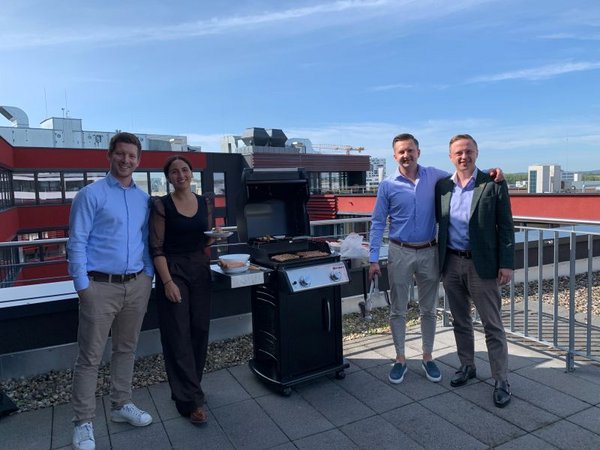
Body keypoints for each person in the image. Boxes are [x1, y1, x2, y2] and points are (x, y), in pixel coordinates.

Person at [369, 133, 503, 385]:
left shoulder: (435, 177)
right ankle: (399, 359)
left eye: (410, 150)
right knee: (398, 309)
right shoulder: (387, 185)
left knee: (428, 309)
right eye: (401, 152)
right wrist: (373, 258)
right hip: (399, 251)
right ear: (394, 156)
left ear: (418, 152)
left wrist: (492, 172)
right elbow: (377, 223)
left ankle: (428, 357)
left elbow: (464, 172)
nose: (406, 155)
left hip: (430, 251)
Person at [67, 132, 154, 450]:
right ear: (110, 155)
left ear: (138, 160)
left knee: (126, 350)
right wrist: (82, 286)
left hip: (136, 285)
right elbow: (77, 240)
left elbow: (145, 241)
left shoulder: (143, 199)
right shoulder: (91, 195)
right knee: (89, 357)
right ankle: (83, 422)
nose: (126, 160)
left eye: (132, 156)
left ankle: (121, 406)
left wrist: (148, 275)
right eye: (121, 154)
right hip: (99, 287)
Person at [435, 134, 514, 408]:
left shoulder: (492, 183)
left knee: (492, 325)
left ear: (477, 153)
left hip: (482, 265)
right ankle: (467, 366)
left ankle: (501, 380)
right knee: (460, 321)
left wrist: (506, 263)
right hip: (451, 263)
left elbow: (506, 226)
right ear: (450, 157)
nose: (463, 156)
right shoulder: (443, 187)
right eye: (458, 152)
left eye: (468, 151)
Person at [149, 155, 214, 424]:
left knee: (199, 329)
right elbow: (156, 247)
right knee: (178, 334)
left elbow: (207, 235)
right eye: (174, 172)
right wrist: (166, 282)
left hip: (200, 268)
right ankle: (189, 401)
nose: (180, 175)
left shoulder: (203, 202)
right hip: (173, 270)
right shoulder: (161, 205)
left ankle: (191, 388)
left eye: (184, 170)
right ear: (168, 178)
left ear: (191, 173)